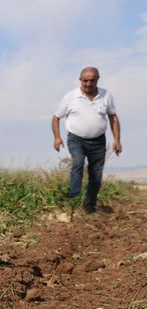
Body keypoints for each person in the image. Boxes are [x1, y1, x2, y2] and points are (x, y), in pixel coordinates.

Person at [51, 66, 122, 213]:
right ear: (80, 80)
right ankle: (73, 202)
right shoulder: (71, 96)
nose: (88, 84)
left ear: (97, 79)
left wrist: (117, 140)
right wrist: (57, 138)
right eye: (85, 81)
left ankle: (89, 207)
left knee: (96, 174)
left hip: (98, 141)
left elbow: (113, 117)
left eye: (92, 80)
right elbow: (56, 117)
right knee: (77, 163)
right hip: (76, 139)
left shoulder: (106, 95)